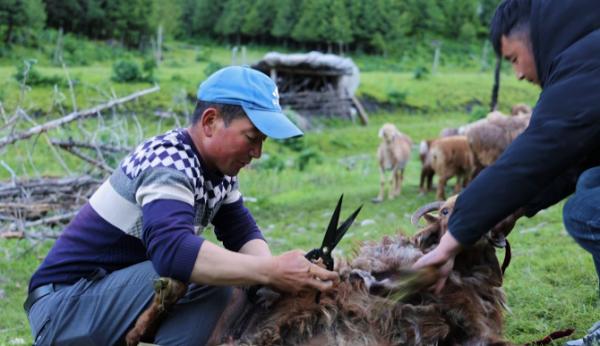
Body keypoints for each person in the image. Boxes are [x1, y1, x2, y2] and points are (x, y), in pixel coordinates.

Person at [24, 66, 339, 345]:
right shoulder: (168, 161)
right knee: (207, 279)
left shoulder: (219, 173)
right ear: (210, 121)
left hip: (104, 302)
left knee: (235, 286)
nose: (257, 152)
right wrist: (271, 271)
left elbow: (242, 233)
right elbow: (172, 251)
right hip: (63, 309)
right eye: (251, 137)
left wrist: (272, 279)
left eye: (262, 142)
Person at [413, 0, 600, 344]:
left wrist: (450, 241)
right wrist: (517, 206)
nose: (517, 73)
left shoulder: (589, 60)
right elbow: (576, 159)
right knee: (592, 181)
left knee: (585, 210)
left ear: (538, 37)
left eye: (514, 58)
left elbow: (541, 149)